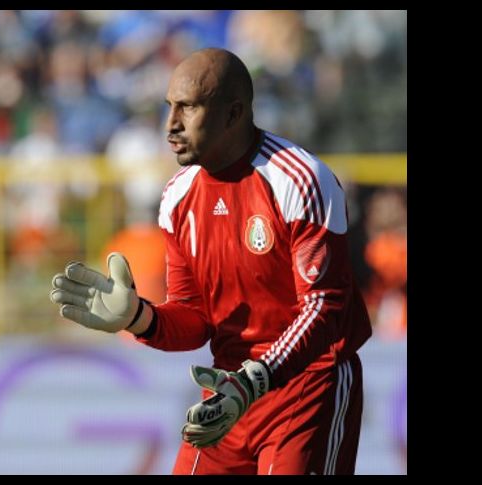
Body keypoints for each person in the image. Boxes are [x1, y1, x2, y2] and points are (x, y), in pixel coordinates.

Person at [49, 48, 372, 475]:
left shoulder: (300, 179)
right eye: (169, 107)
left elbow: (324, 308)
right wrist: (139, 317)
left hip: (307, 387)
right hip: (229, 391)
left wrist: (256, 378)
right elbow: (195, 317)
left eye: (189, 107)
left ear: (233, 113)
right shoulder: (177, 197)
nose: (171, 125)